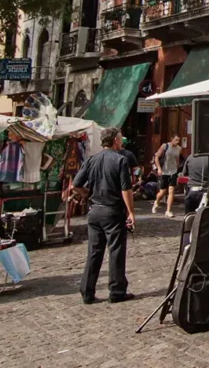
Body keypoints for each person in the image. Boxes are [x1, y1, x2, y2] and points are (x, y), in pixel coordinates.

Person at [73, 127, 136, 304]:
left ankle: (87, 291)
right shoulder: (120, 160)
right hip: (112, 210)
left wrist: (86, 194)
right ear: (116, 140)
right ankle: (116, 290)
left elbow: (76, 184)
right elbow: (126, 189)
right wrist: (131, 211)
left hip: (94, 211)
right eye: (120, 138)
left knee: (94, 251)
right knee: (116, 250)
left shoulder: (92, 159)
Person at [152, 135, 182, 218]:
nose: (177, 142)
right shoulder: (165, 146)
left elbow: (177, 159)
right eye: (176, 140)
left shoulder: (179, 148)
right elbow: (157, 157)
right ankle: (157, 202)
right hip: (164, 171)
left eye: (178, 140)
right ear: (172, 139)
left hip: (173, 172)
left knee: (171, 191)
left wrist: (178, 168)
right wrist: (159, 169)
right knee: (162, 192)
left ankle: (168, 211)